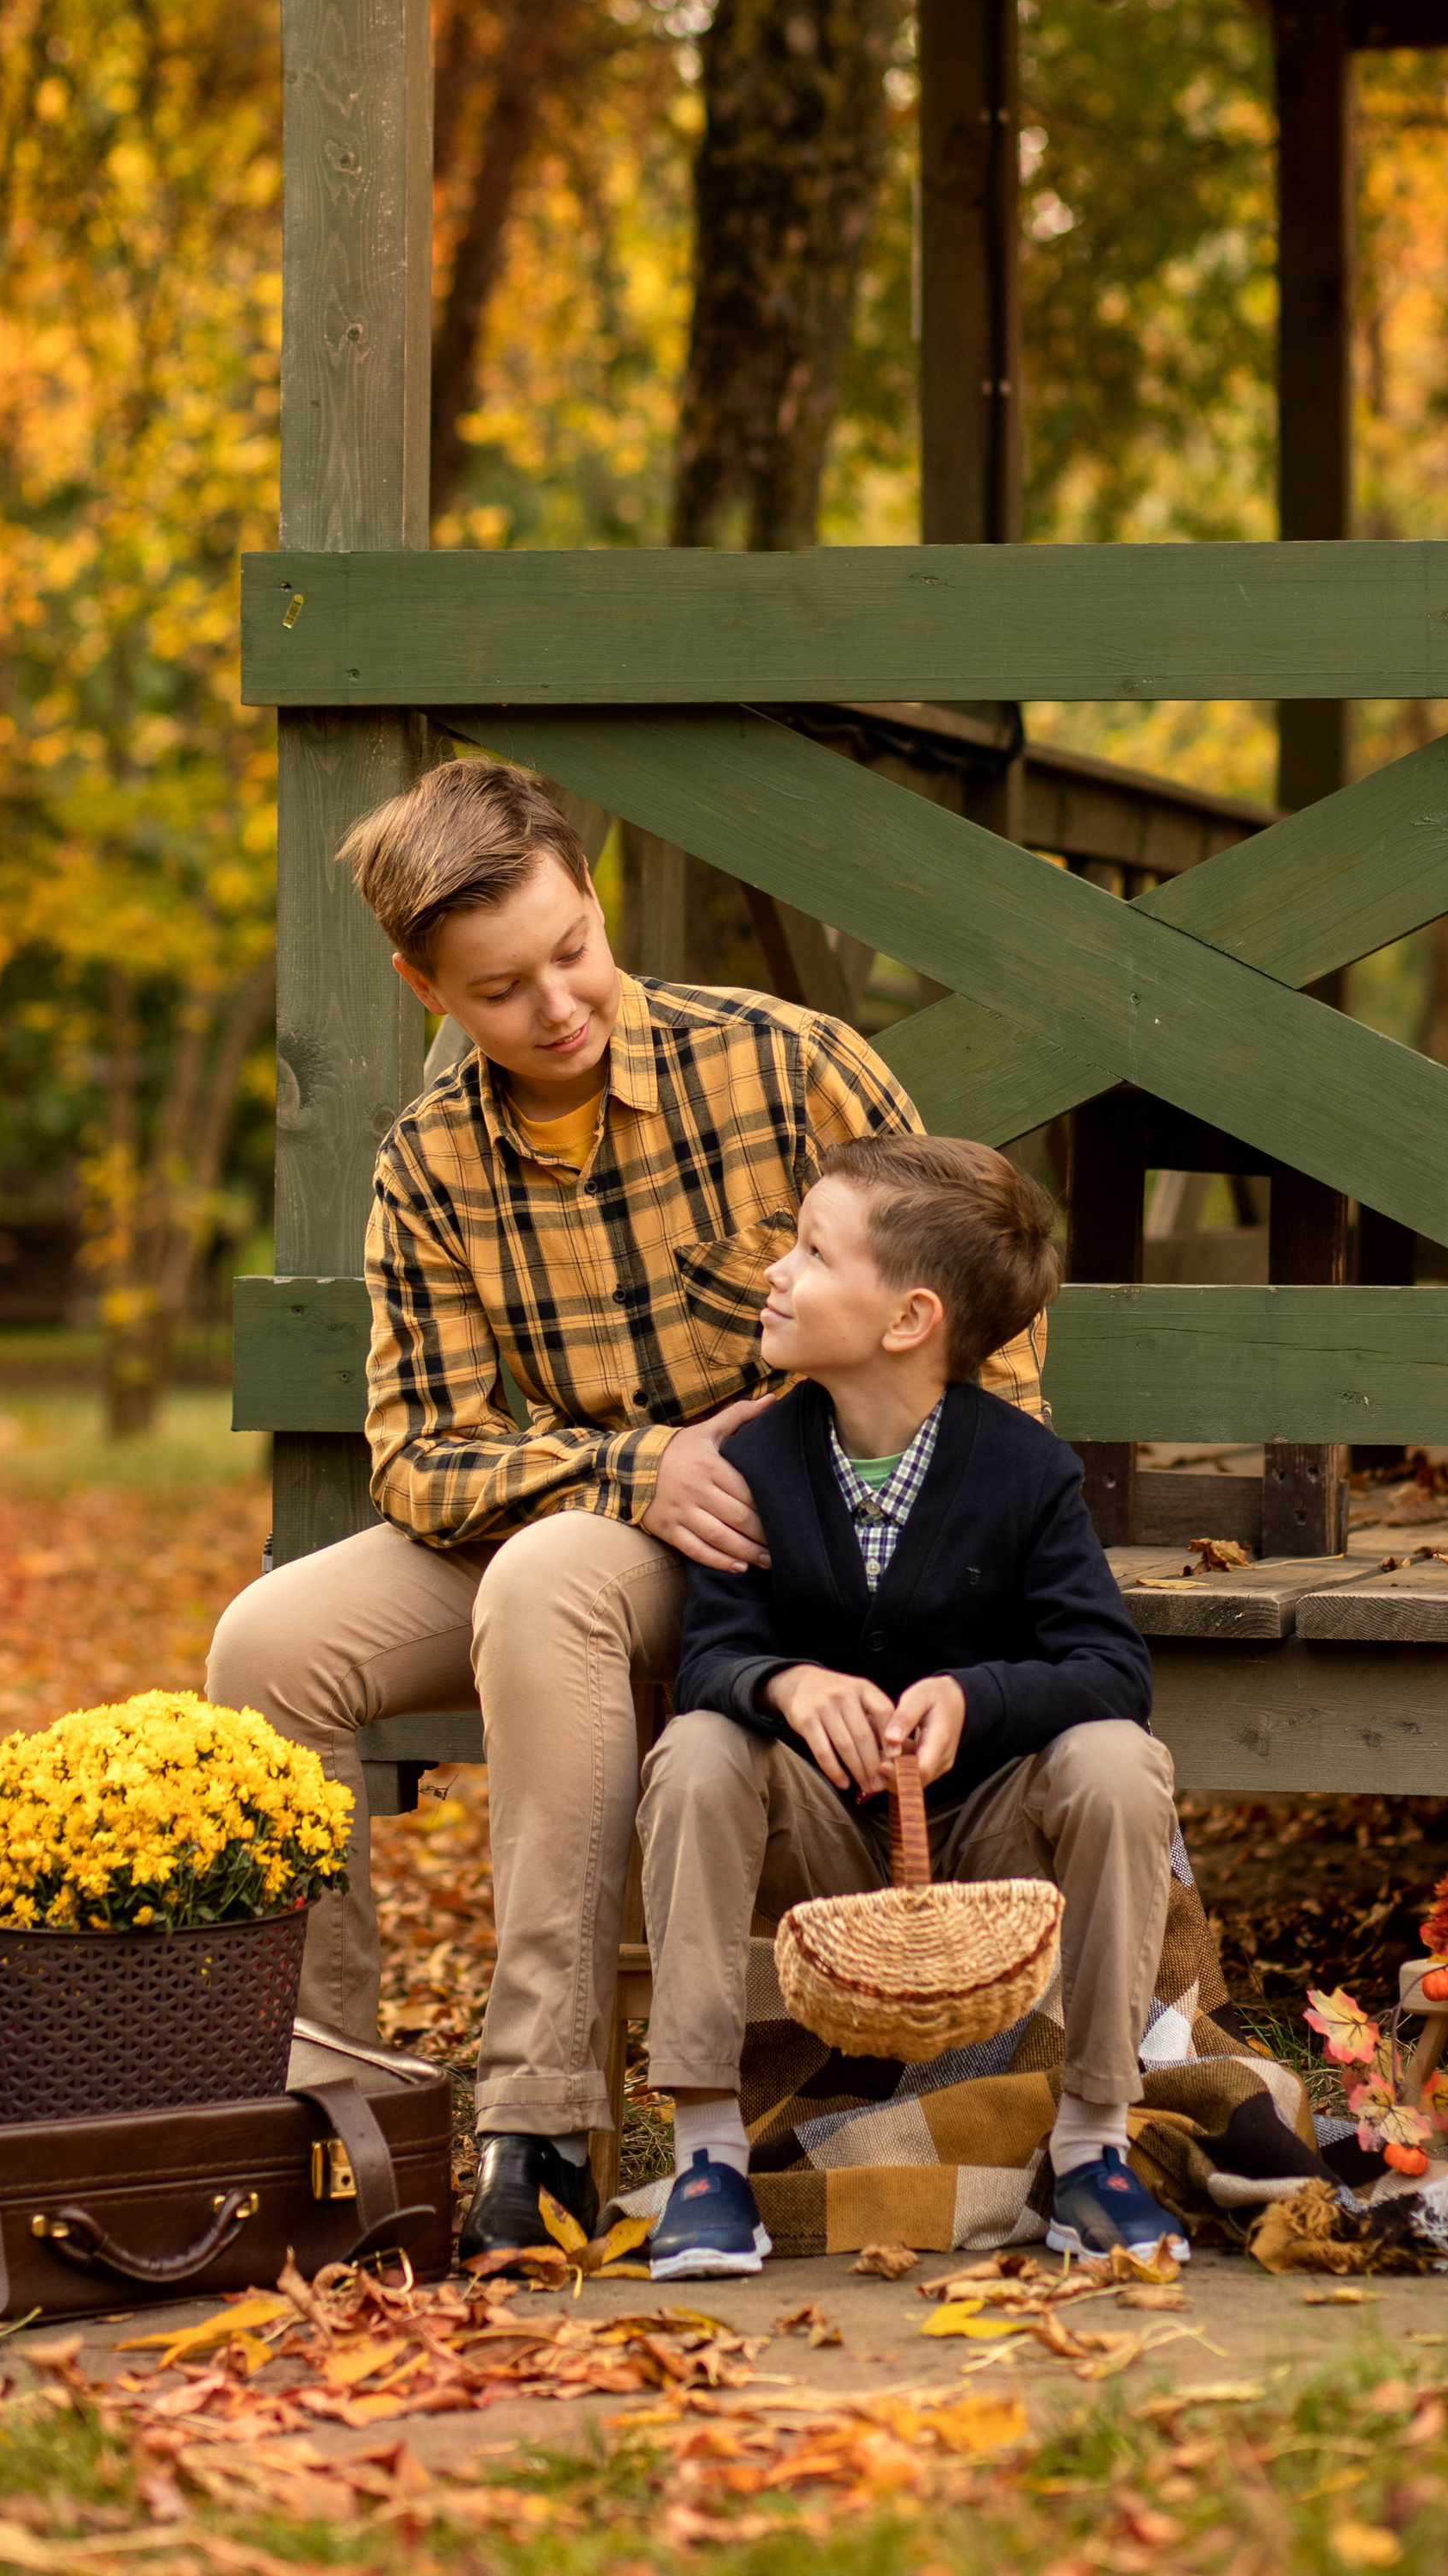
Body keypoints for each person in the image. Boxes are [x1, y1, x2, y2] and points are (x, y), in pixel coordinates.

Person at [205, 758, 1047, 2262]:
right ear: (425, 989)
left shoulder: (789, 1067)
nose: (557, 1006)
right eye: (499, 989)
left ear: (593, 899)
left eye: (573, 950)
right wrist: (635, 1468)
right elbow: (419, 1456)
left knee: (549, 1581)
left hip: (795, 1536)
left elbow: (979, 1330)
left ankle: (539, 2122)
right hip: (594, 1512)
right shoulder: (429, 1165)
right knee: (267, 1647)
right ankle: (331, 2112)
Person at [636, 1130, 1182, 2281]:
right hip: (820, 1838)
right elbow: (711, 1659)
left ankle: (1094, 2144)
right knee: (696, 1748)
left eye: (812, 1252)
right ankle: (708, 2159)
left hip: (988, 1846)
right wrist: (784, 1682)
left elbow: (1111, 1668)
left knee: (1119, 1762)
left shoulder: (1026, 1469)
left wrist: (973, 1698)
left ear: (908, 1320)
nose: (776, 1270)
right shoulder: (758, 1460)